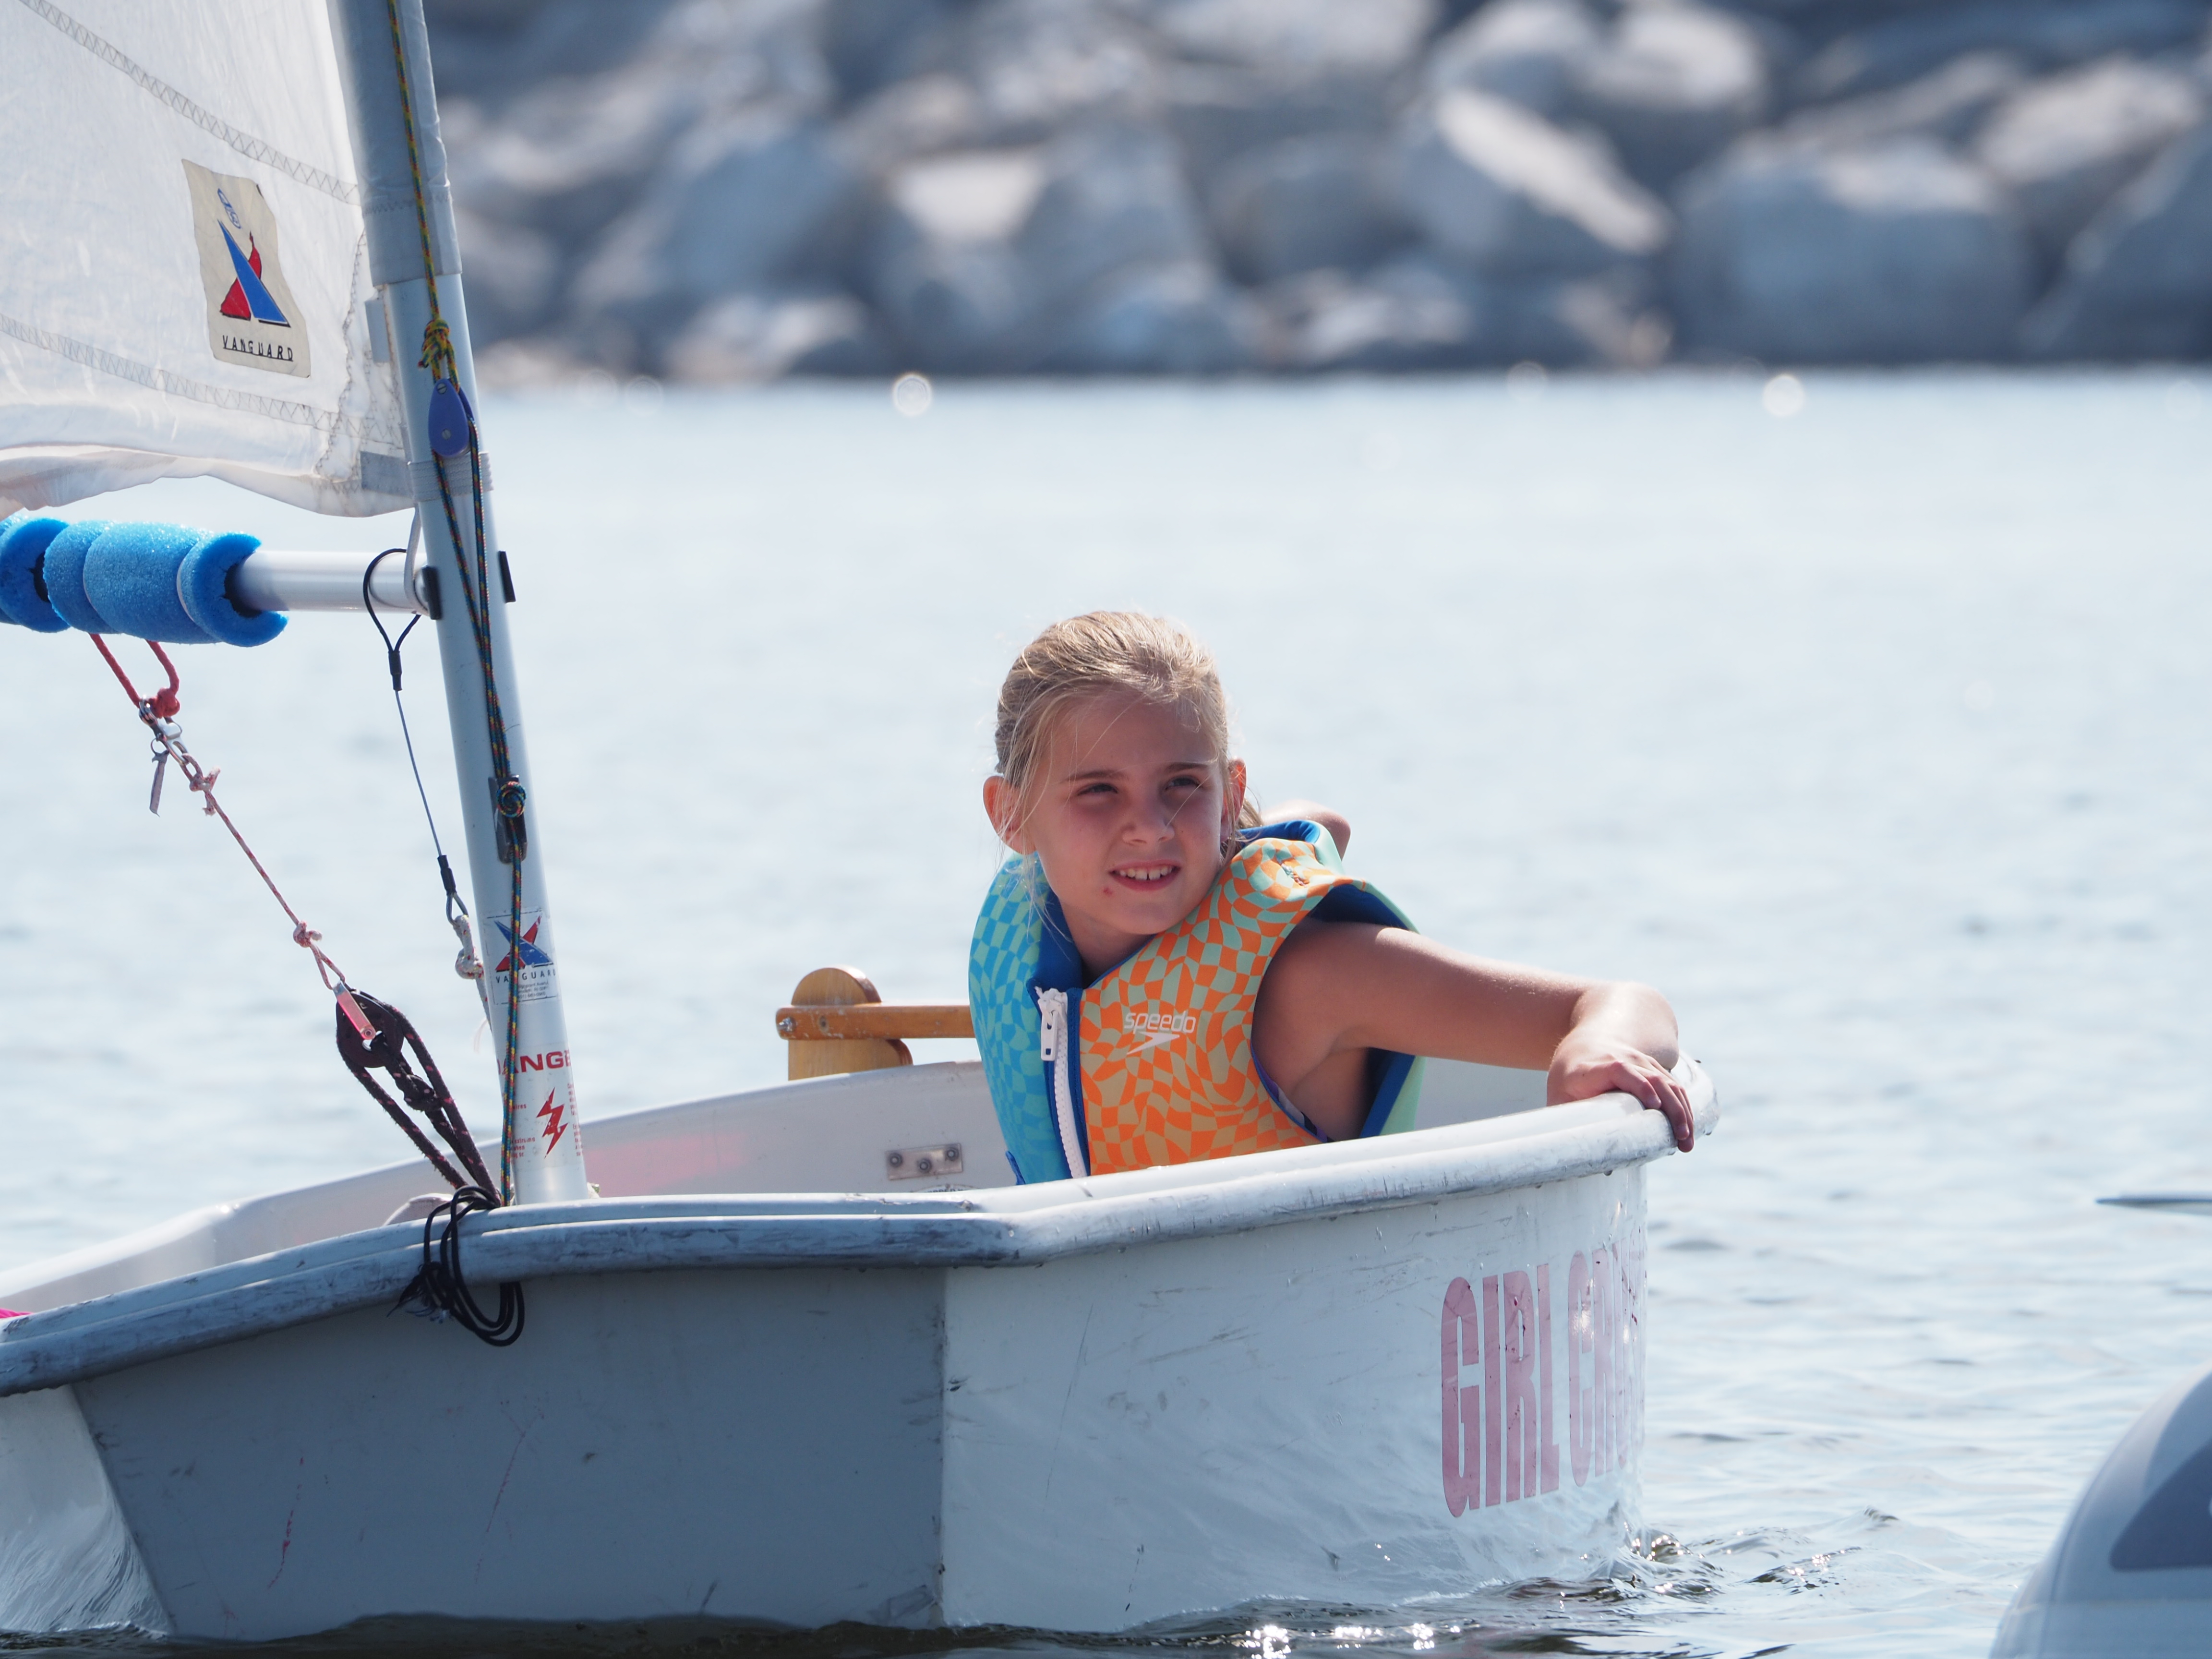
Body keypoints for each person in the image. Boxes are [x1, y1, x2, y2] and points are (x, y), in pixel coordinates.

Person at [968, 610, 1694, 1183]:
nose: (1150, 827)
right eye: (1099, 791)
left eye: (1182, 785)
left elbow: (1626, 1002)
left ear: (1229, 800)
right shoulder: (1027, 940)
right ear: (1011, 815)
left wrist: (1593, 1046)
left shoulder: (1318, 980)